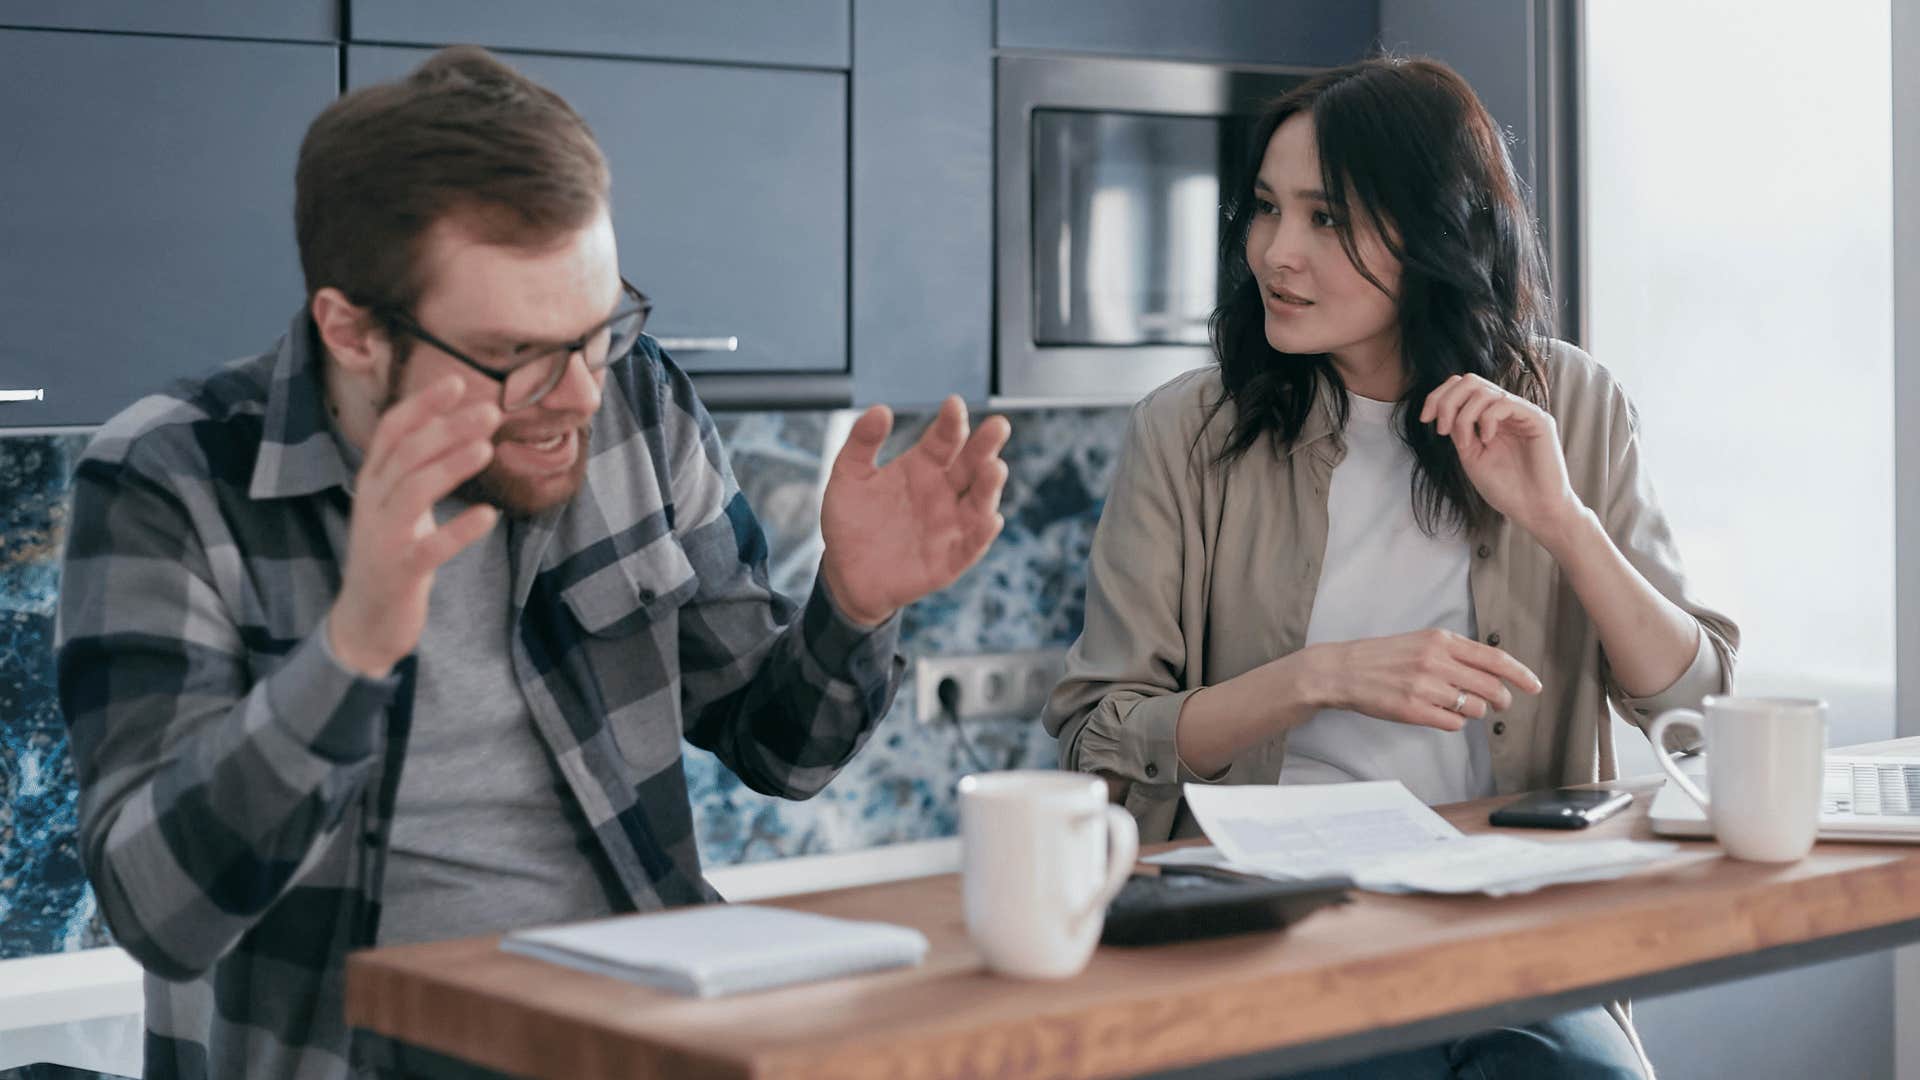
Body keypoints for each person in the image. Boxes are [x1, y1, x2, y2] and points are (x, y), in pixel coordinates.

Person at [56, 46, 1010, 1080]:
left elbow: (783, 754)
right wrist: (353, 646)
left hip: (636, 1041)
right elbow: (162, 915)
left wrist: (854, 606)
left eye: (597, 332)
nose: (581, 396)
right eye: (516, 355)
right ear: (353, 331)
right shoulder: (170, 477)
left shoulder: (637, 402)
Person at [1043, 56, 1738, 1079]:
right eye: (1267, 210)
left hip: (1504, 933)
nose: (1277, 253)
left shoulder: (1572, 404)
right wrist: (1316, 678)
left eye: (1329, 219)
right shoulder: (1189, 432)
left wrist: (1563, 520)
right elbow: (1098, 731)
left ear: (1438, 231)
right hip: (1270, 931)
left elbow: (1699, 701)